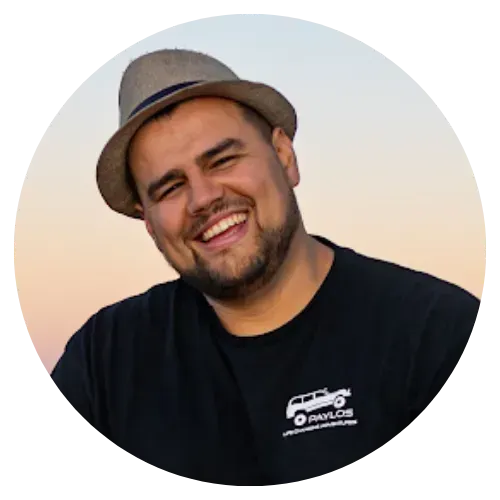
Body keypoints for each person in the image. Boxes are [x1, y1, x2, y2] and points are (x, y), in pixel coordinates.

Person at [48, 49, 493, 487]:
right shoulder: (105, 364)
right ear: (148, 222)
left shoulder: (436, 335)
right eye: (169, 187)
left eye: (222, 160)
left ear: (284, 156)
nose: (203, 198)